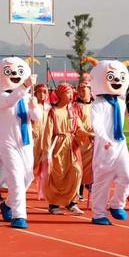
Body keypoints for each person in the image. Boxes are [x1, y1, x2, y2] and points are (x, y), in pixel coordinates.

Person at [0, 57, 41, 229]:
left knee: (28, 178)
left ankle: (7, 204)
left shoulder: (26, 97)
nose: (14, 75)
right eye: (10, 72)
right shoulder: (1, 96)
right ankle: (19, 215)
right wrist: (24, 86)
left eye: (19, 72)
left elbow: (36, 119)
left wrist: (35, 107)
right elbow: (10, 101)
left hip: (26, 144)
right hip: (9, 144)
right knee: (16, 180)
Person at [89, 59, 129, 226]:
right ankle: (98, 214)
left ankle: (117, 205)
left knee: (128, 177)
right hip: (104, 147)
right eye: (111, 77)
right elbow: (97, 125)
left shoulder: (121, 103)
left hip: (120, 144)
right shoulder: (97, 104)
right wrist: (105, 140)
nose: (116, 81)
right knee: (102, 181)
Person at [40, 84, 92, 215]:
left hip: (71, 145)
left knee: (76, 171)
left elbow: (79, 128)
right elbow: (47, 132)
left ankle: (72, 202)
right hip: (57, 144)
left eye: (71, 93)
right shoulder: (53, 111)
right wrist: (47, 151)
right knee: (58, 175)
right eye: (67, 93)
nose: (70, 96)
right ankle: (54, 204)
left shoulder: (72, 110)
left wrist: (88, 135)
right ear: (60, 95)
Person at [74, 79, 94, 201]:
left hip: (93, 141)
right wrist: (87, 133)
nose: (81, 92)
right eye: (79, 90)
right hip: (81, 140)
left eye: (84, 90)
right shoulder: (75, 106)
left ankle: (90, 185)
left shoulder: (95, 105)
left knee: (92, 166)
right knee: (79, 165)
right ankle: (78, 190)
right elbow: (77, 122)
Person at [32, 83, 51, 199]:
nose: (42, 94)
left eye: (44, 92)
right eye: (39, 92)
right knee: (32, 164)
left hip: (46, 139)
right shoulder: (32, 107)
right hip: (34, 139)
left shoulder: (49, 108)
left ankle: (43, 190)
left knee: (45, 165)